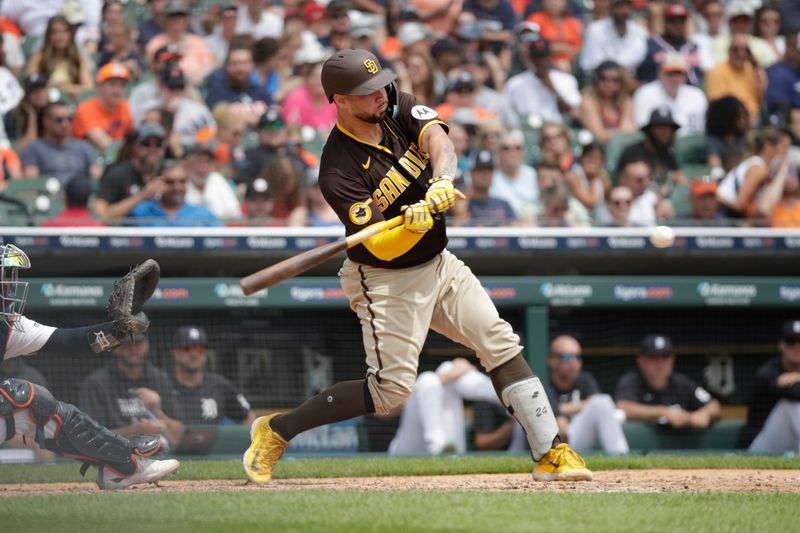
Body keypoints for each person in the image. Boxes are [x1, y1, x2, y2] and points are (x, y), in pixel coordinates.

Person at [242, 48, 592, 485]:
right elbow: (382, 249)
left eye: (380, 85)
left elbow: (439, 142)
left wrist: (444, 179)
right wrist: (411, 225)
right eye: (366, 92)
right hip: (386, 278)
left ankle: (551, 452)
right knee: (389, 391)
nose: (379, 95)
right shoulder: (337, 170)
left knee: (498, 341)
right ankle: (276, 430)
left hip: (439, 262)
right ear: (342, 100)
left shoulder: (395, 104)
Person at [0, 245, 180, 489]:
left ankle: (122, 466)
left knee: (35, 404)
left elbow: (74, 342)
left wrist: (119, 329)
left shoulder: (8, 327)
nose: (7, 286)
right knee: (13, 395)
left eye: (6, 278)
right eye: (2, 278)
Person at [388, 358, 500, 455]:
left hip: (448, 442)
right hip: (409, 448)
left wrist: (450, 374)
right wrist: (448, 376)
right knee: (427, 380)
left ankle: (503, 396)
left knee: (446, 367)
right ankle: (506, 394)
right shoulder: (389, 355)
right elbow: (383, 410)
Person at [615, 334, 722, 431]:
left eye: (665, 357)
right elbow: (623, 407)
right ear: (641, 360)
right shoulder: (631, 381)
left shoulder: (682, 383)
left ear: (672, 359)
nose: (660, 364)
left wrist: (704, 414)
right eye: (653, 357)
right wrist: (665, 412)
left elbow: (714, 405)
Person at [547, 335, 629, 454]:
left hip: (575, 437)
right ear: (552, 360)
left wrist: (563, 408)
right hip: (552, 443)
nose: (574, 362)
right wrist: (581, 406)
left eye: (578, 357)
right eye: (567, 357)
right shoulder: (544, 384)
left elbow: (598, 402)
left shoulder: (584, 379)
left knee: (603, 402)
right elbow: (561, 427)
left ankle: (621, 456)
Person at [169, 325, 254, 425]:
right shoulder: (162, 382)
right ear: (175, 353)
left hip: (213, 440)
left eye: (199, 349)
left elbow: (248, 416)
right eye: (188, 348)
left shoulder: (220, 385)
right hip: (176, 440)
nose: (194, 354)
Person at [743, 320, 800, 452]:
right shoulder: (768, 372)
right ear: (781, 345)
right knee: (792, 405)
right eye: (791, 341)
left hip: (794, 445)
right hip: (761, 445)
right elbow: (795, 393)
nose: (797, 347)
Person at [92, 123, 167, 223]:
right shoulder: (117, 173)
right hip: (124, 234)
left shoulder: (169, 174)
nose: (152, 148)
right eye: (146, 144)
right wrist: (142, 196)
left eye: (158, 144)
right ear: (135, 146)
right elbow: (101, 216)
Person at [503, 36, 581, 127]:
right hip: (526, 128)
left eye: (543, 56)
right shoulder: (515, 83)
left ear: (550, 56)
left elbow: (574, 112)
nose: (540, 61)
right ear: (530, 58)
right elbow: (507, 112)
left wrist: (552, 89)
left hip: (556, 129)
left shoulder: (566, 80)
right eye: (537, 56)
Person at [716, 126, 791, 219]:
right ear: (768, 147)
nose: (786, 152)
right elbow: (740, 204)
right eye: (783, 147)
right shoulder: (758, 169)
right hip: (723, 213)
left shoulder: (761, 166)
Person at [21, 100, 101, 185]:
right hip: (50, 193)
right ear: (46, 121)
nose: (65, 124)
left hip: (80, 193)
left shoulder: (83, 146)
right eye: (59, 120)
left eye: (69, 119)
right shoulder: (34, 148)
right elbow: (31, 182)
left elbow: (97, 175)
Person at [632, 52, 708, 137]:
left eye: (678, 73)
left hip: (692, 146)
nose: (674, 78)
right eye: (670, 73)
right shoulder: (644, 94)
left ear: (685, 76)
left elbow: (703, 130)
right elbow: (642, 129)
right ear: (659, 74)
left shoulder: (697, 96)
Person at [129, 161, 223, 227]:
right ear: (157, 182)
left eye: (182, 182)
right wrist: (142, 196)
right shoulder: (143, 210)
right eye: (170, 182)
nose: (177, 187)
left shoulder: (202, 214)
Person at [23, 15, 93, 102]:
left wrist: (63, 88)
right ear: (49, 35)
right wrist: (46, 85)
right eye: (55, 32)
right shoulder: (40, 55)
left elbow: (88, 88)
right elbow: (31, 79)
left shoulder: (77, 57)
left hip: (70, 101)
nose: (60, 37)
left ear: (71, 34)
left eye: (64, 32)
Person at [636, 3, 703, 87]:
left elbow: (696, 80)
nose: (677, 26)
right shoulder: (651, 44)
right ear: (666, 22)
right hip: (656, 93)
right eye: (673, 21)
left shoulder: (692, 47)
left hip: (685, 94)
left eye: (681, 22)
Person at [706, 33, 767, 126]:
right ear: (729, 51)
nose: (741, 54)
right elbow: (717, 105)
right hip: (729, 120)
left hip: (755, 117)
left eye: (745, 50)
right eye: (736, 49)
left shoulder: (754, 71)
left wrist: (758, 70)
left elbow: (764, 97)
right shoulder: (717, 71)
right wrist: (742, 116)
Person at [71, 63, 134, 153]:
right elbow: (106, 146)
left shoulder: (126, 107)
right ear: (100, 86)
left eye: (122, 85)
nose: (117, 90)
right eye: (112, 84)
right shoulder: (85, 109)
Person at [620, 107, 688, 189]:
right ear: (649, 130)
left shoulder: (668, 153)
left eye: (669, 129)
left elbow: (682, 180)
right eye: (660, 128)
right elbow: (626, 183)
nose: (665, 133)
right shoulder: (632, 153)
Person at [580, 0, 648, 81]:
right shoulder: (595, 29)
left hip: (630, 79)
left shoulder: (639, 31)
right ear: (610, 7)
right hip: (599, 80)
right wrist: (619, 70)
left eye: (626, 6)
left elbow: (640, 58)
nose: (623, 11)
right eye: (619, 6)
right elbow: (593, 63)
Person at [577, 61, 637, 146]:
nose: (608, 83)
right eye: (603, 78)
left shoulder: (626, 101)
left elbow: (629, 131)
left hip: (621, 148)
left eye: (615, 80)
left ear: (621, 82)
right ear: (596, 80)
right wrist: (620, 132)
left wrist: (610, 133)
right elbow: (599, 136)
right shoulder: (588, 101)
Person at [184, 144, 242, 221]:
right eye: (199, 162)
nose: (203, 168)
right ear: (188, 164)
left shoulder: (217, 179)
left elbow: (235, 212)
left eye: (207, 162)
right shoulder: (179, 183)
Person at [463, 149, 516, 226]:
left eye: (489, 169)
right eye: (480, 169)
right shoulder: (464, 206)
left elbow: (516, 232)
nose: (485, 174)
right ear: (471, 173)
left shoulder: (504, 205)